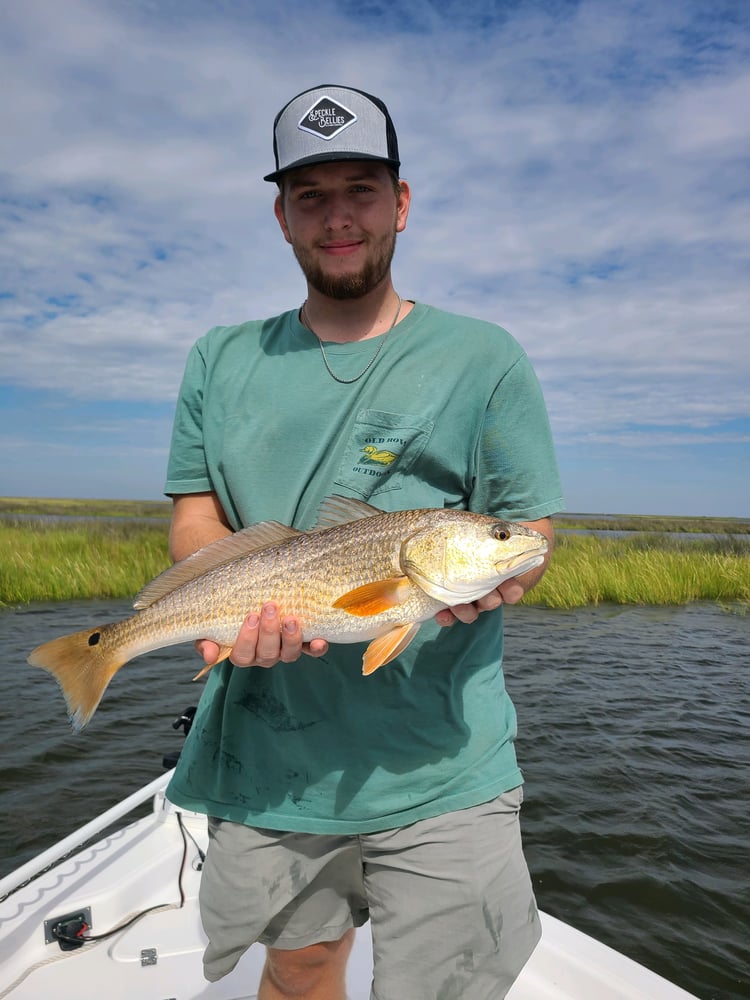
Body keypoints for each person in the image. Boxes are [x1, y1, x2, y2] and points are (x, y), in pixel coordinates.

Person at [164, 84, 564, 1000]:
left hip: (445, 761)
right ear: (282, 216)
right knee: (299, 970)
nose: (338, 216)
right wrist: (223, 605)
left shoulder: (484, 356)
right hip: (268, 752)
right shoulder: (217, 358)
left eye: (362, 189)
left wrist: (505, 568)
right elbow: (195, 514)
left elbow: (530, 526)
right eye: (312, 195)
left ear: (402, 203)